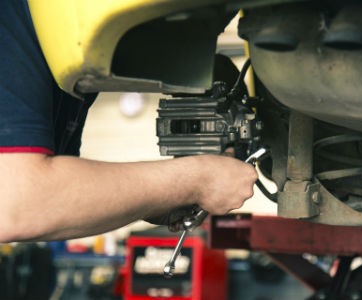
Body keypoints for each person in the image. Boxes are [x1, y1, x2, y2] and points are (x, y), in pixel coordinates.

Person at [0, 0, 257, 243]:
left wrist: (157, 198)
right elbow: (18, 204)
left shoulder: (66, 41)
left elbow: (56, 206)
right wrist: (195, 180)